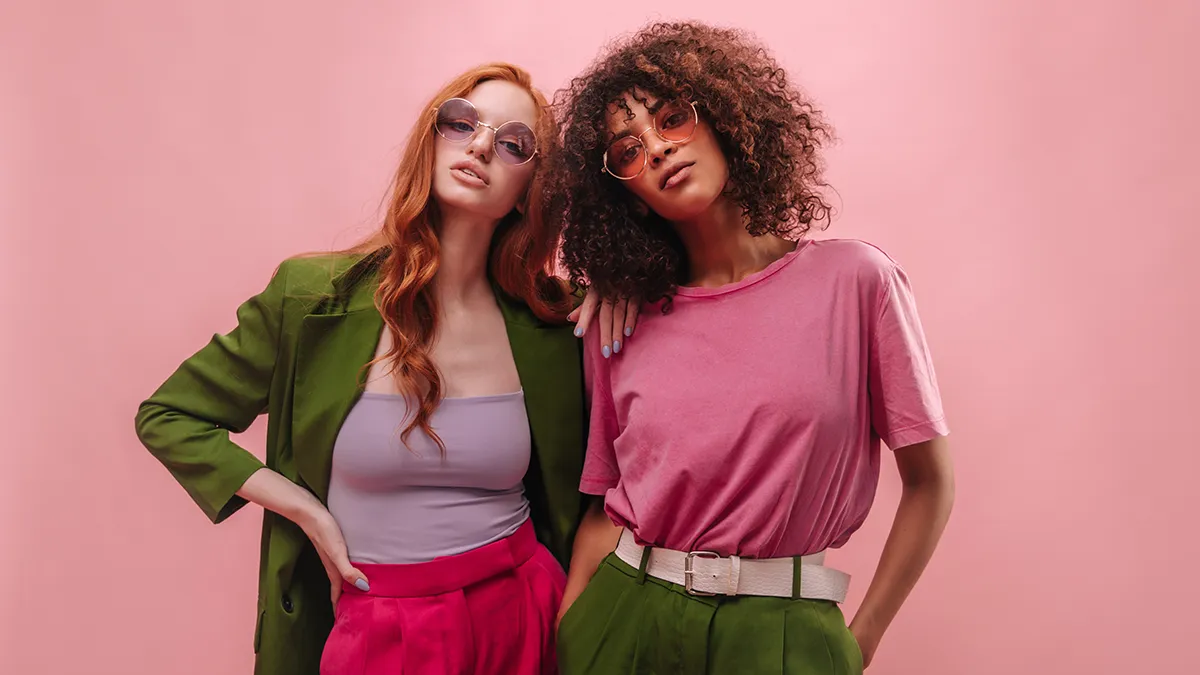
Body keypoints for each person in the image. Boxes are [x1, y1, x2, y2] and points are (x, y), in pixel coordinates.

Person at [134, 63, 625, 675]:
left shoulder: (554, 323)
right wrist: (305, 510)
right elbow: (168, 415)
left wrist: (621, 280)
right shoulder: (313, 298)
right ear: (432, 137)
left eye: (512, 143)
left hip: (522, 612)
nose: (478, 146)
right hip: (378, 619)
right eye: (461, 122)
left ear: (531, 188)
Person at [549, 22, 956, 674]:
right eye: (626, 150)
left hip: (781, 633)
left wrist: (861, 640)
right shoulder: (623, 317)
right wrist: (573, 638)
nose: (655, 149)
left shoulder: (858, 281)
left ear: (726, 117)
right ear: (625, 192)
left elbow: (932, 483)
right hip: (624, 620)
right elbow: (605, 508)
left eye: (672, 118)